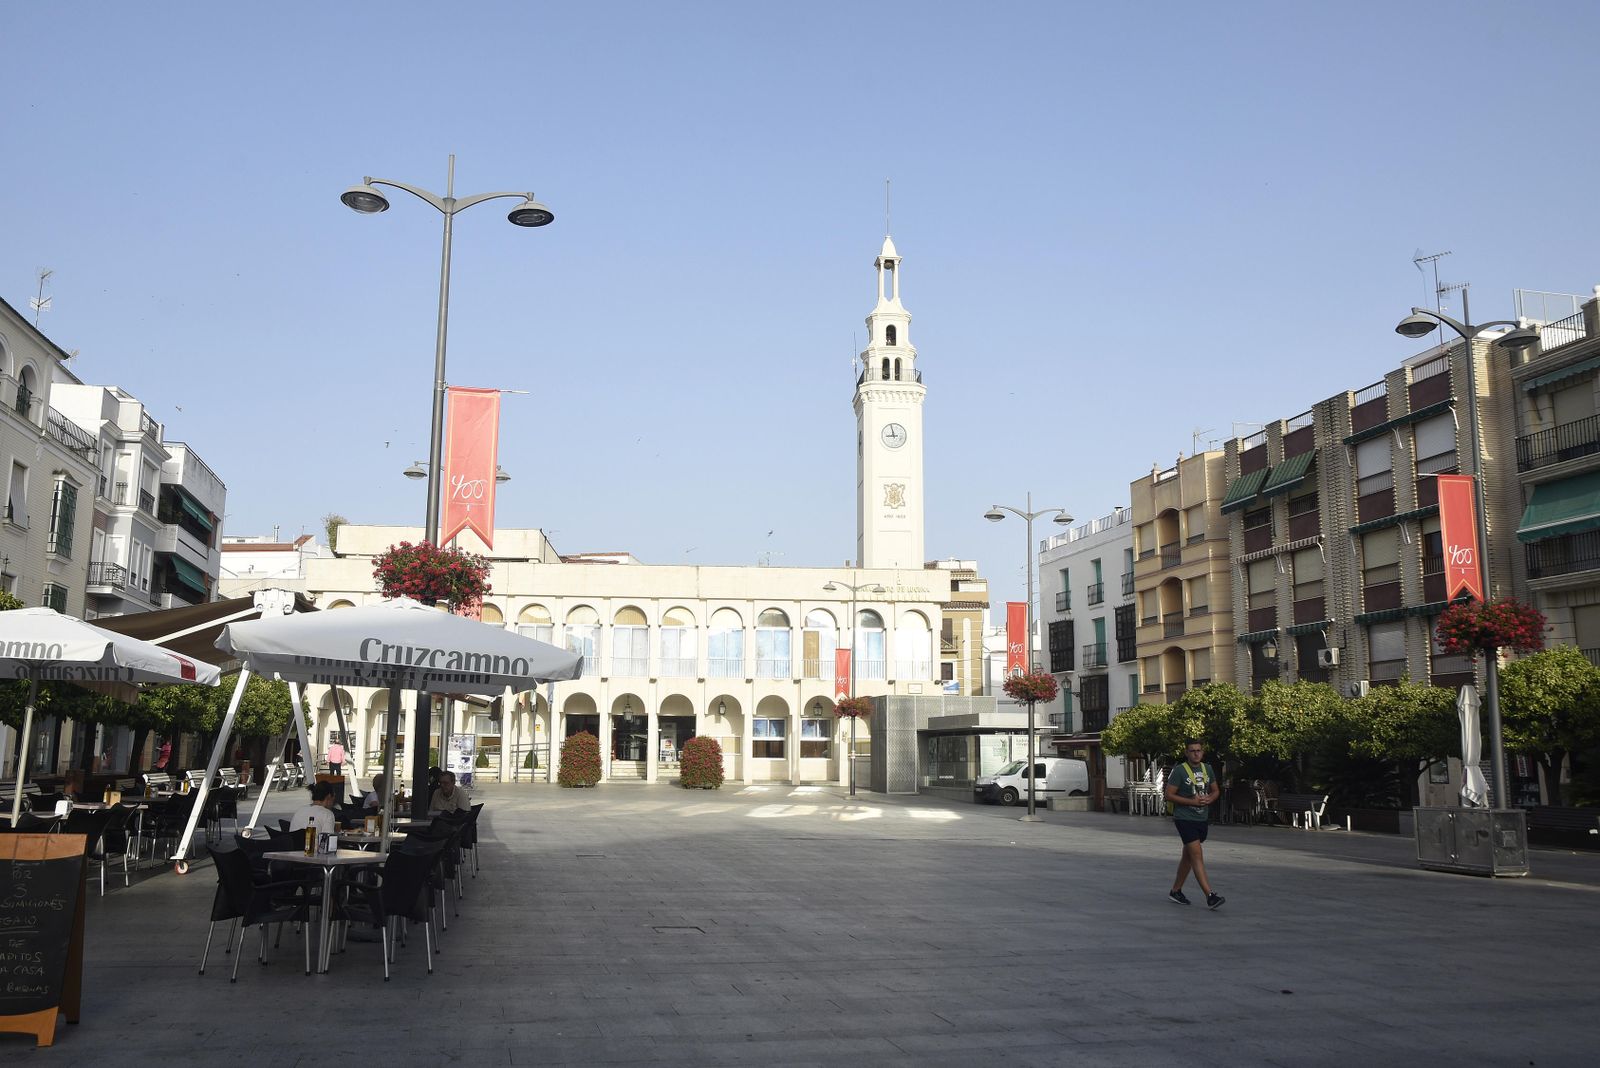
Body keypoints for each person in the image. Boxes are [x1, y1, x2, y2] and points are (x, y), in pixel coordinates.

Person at [1165, 739, 1224, 910]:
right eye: (1192, 751)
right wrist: (1191, 802)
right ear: (1186, 753)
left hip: (1201, 818)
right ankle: (1210, 896)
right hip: (1184, 818)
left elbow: (1215, 790)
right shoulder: (1179, 771)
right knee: (1197, 855)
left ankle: (1176, 891)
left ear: (1203, 752)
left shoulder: (1208, 769)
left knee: (1189, 857)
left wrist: (1209, 799)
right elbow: (1169, 795)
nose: (1196, 753)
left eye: (1198, 750)